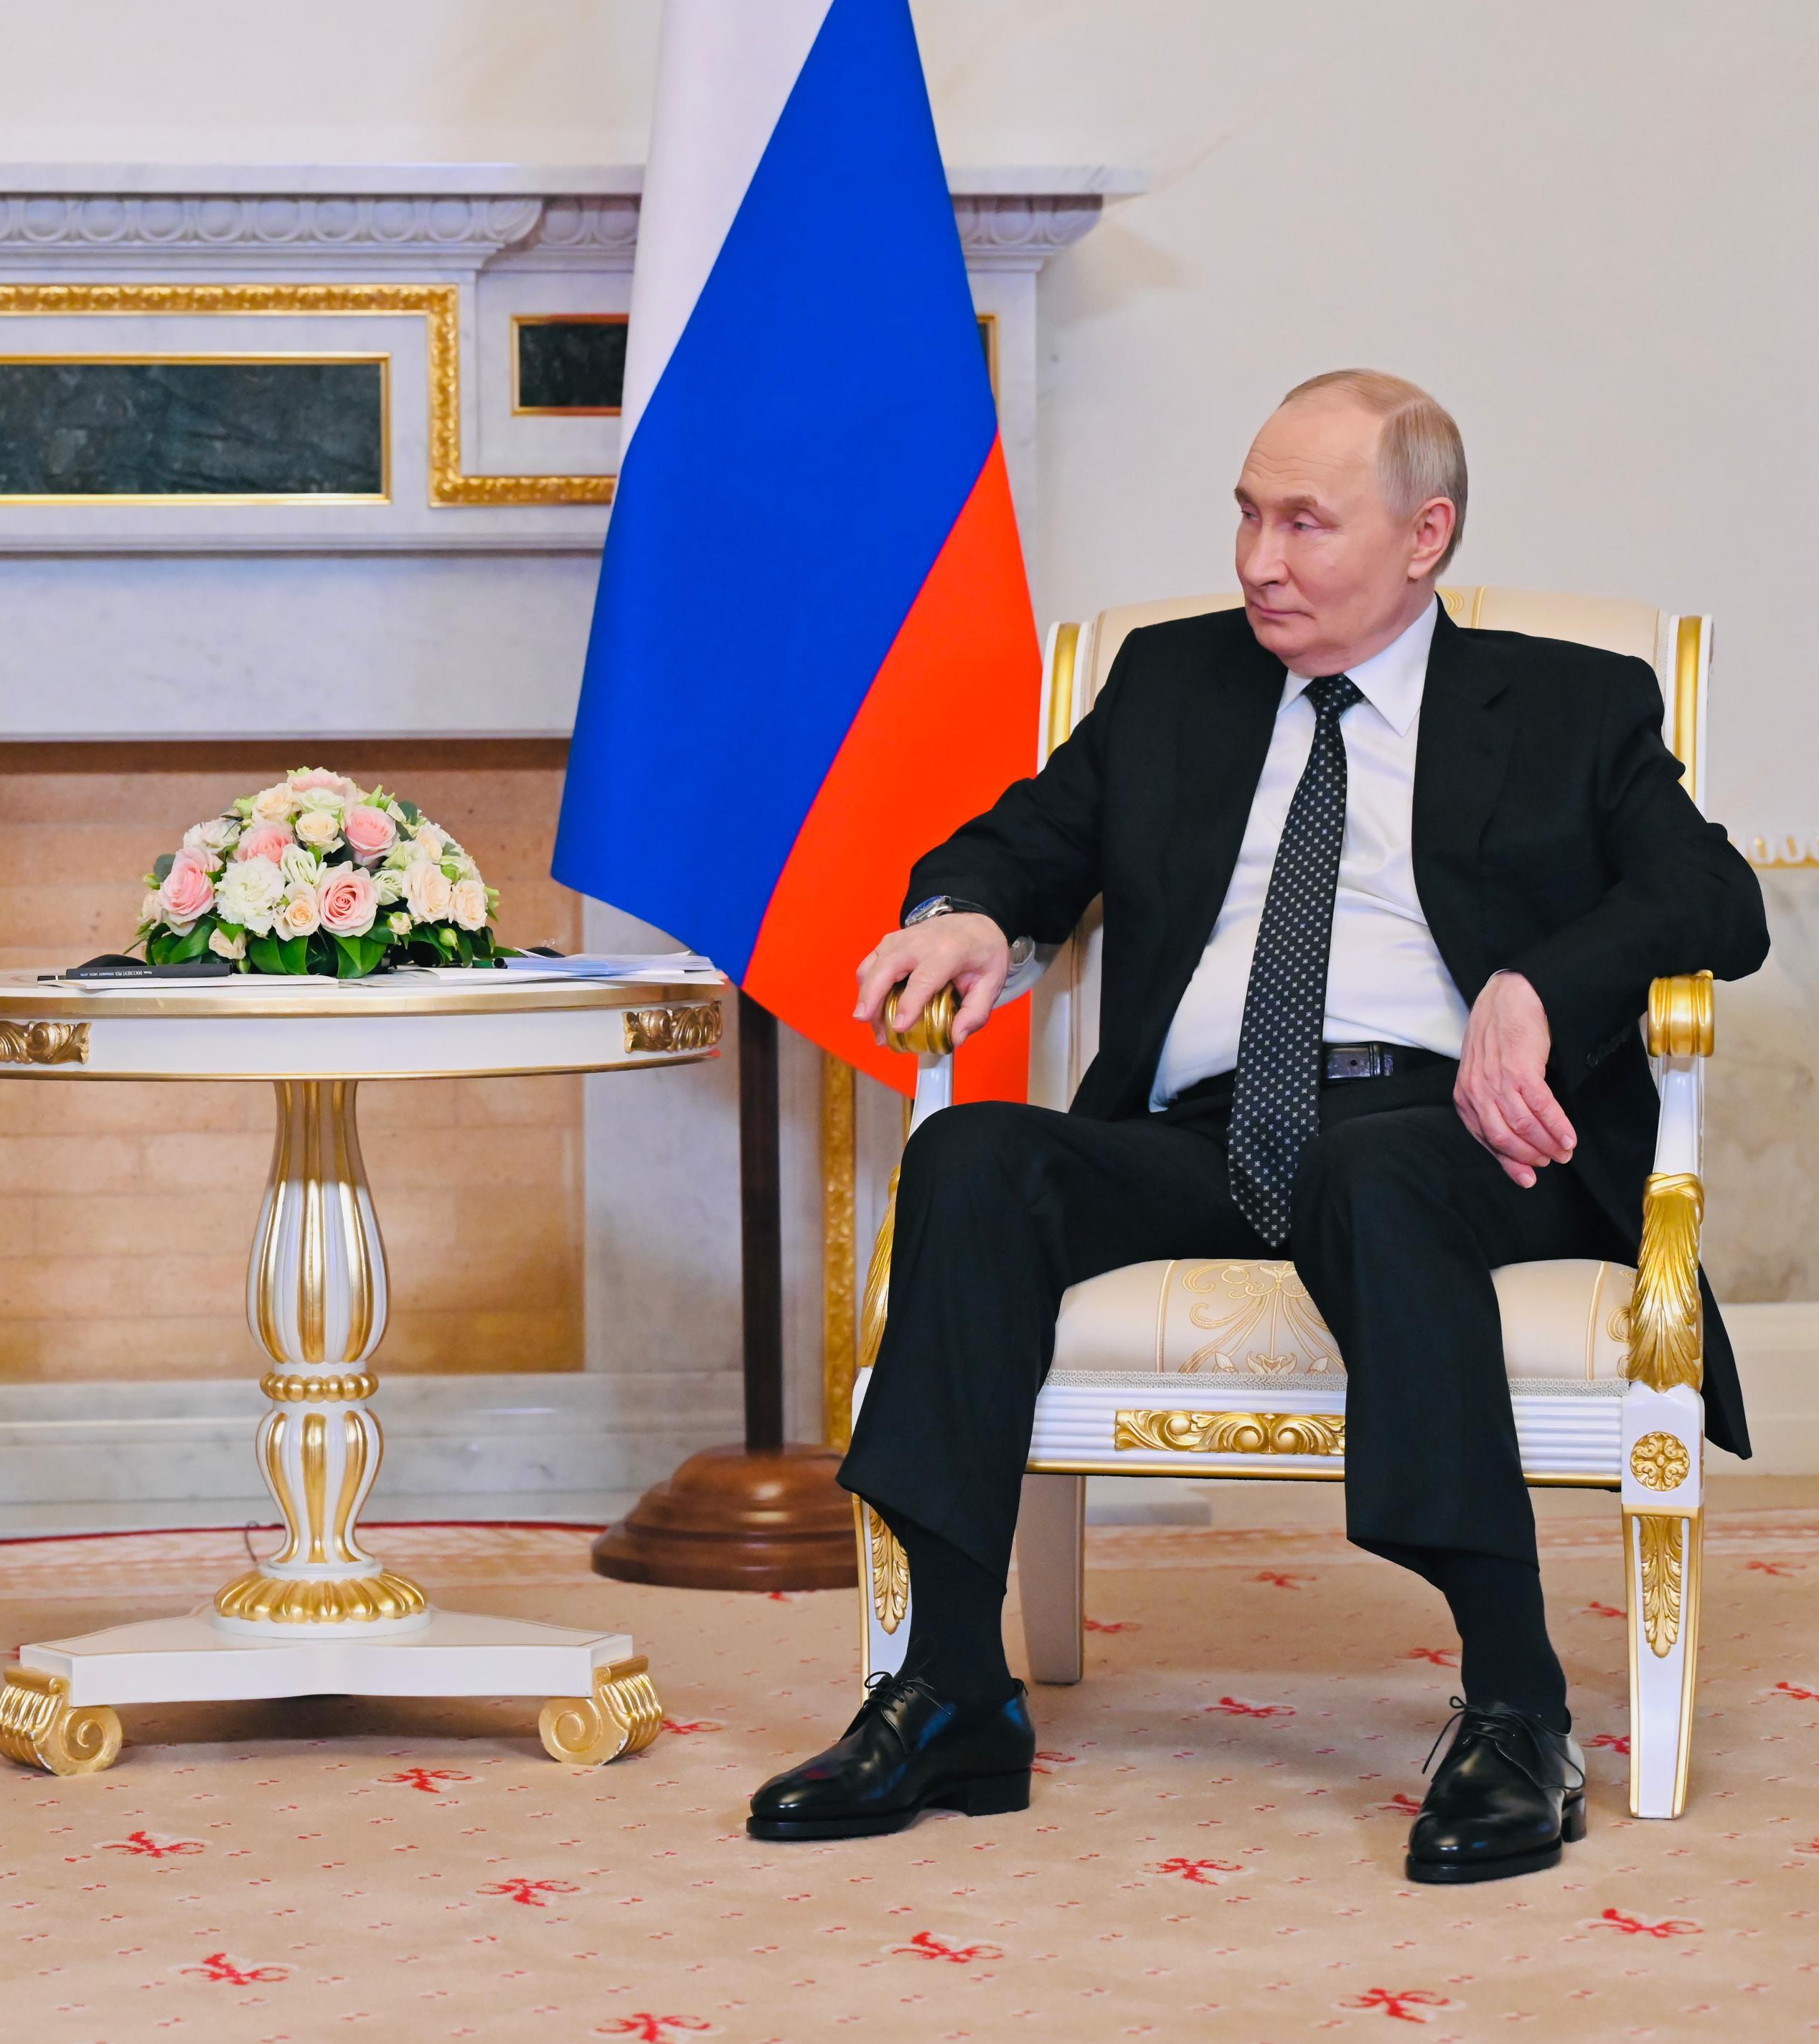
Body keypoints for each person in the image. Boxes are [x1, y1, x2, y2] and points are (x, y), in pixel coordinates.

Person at [750, 370, 1767, 1885]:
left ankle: (1516, 1707)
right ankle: (951, 1687)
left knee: (1374, 1170)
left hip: (1457, 1142)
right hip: (1209, 1132)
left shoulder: (1567, 701)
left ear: (1424, 536)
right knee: (974, 1158)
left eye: (1304, 523)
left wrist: (1539, 986)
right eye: (1245, 515)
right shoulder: (1175, 680)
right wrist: (965, 912)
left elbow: (1714, 898)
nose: (1257, 561)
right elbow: (1023, 841)